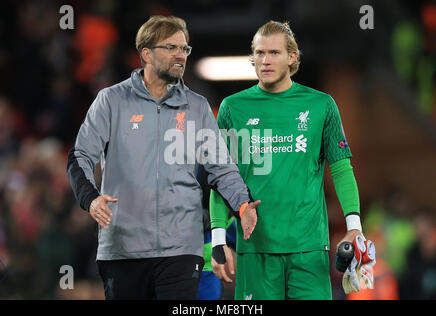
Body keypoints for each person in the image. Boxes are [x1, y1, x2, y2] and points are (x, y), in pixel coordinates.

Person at [66, 15, 260, 300]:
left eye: (184, 49)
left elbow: (222, 168)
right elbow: (80, 156)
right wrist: (90, 197)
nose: (180, 55)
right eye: (171, 48)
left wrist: (243, 204)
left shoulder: (197, 107)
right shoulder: (111, 101)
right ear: (146, 54)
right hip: (123, 249)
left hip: (181, 251)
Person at [210, 20, 375, 300]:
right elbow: (221, 176)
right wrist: (217, 240)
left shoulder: (321, 105)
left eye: (274, 53)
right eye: (259, 53)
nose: (265, 60)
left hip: (308, 249)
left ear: (292, 57)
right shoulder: (232, 108)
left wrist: (354, 228)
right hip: (255, 248)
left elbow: (342, 169)